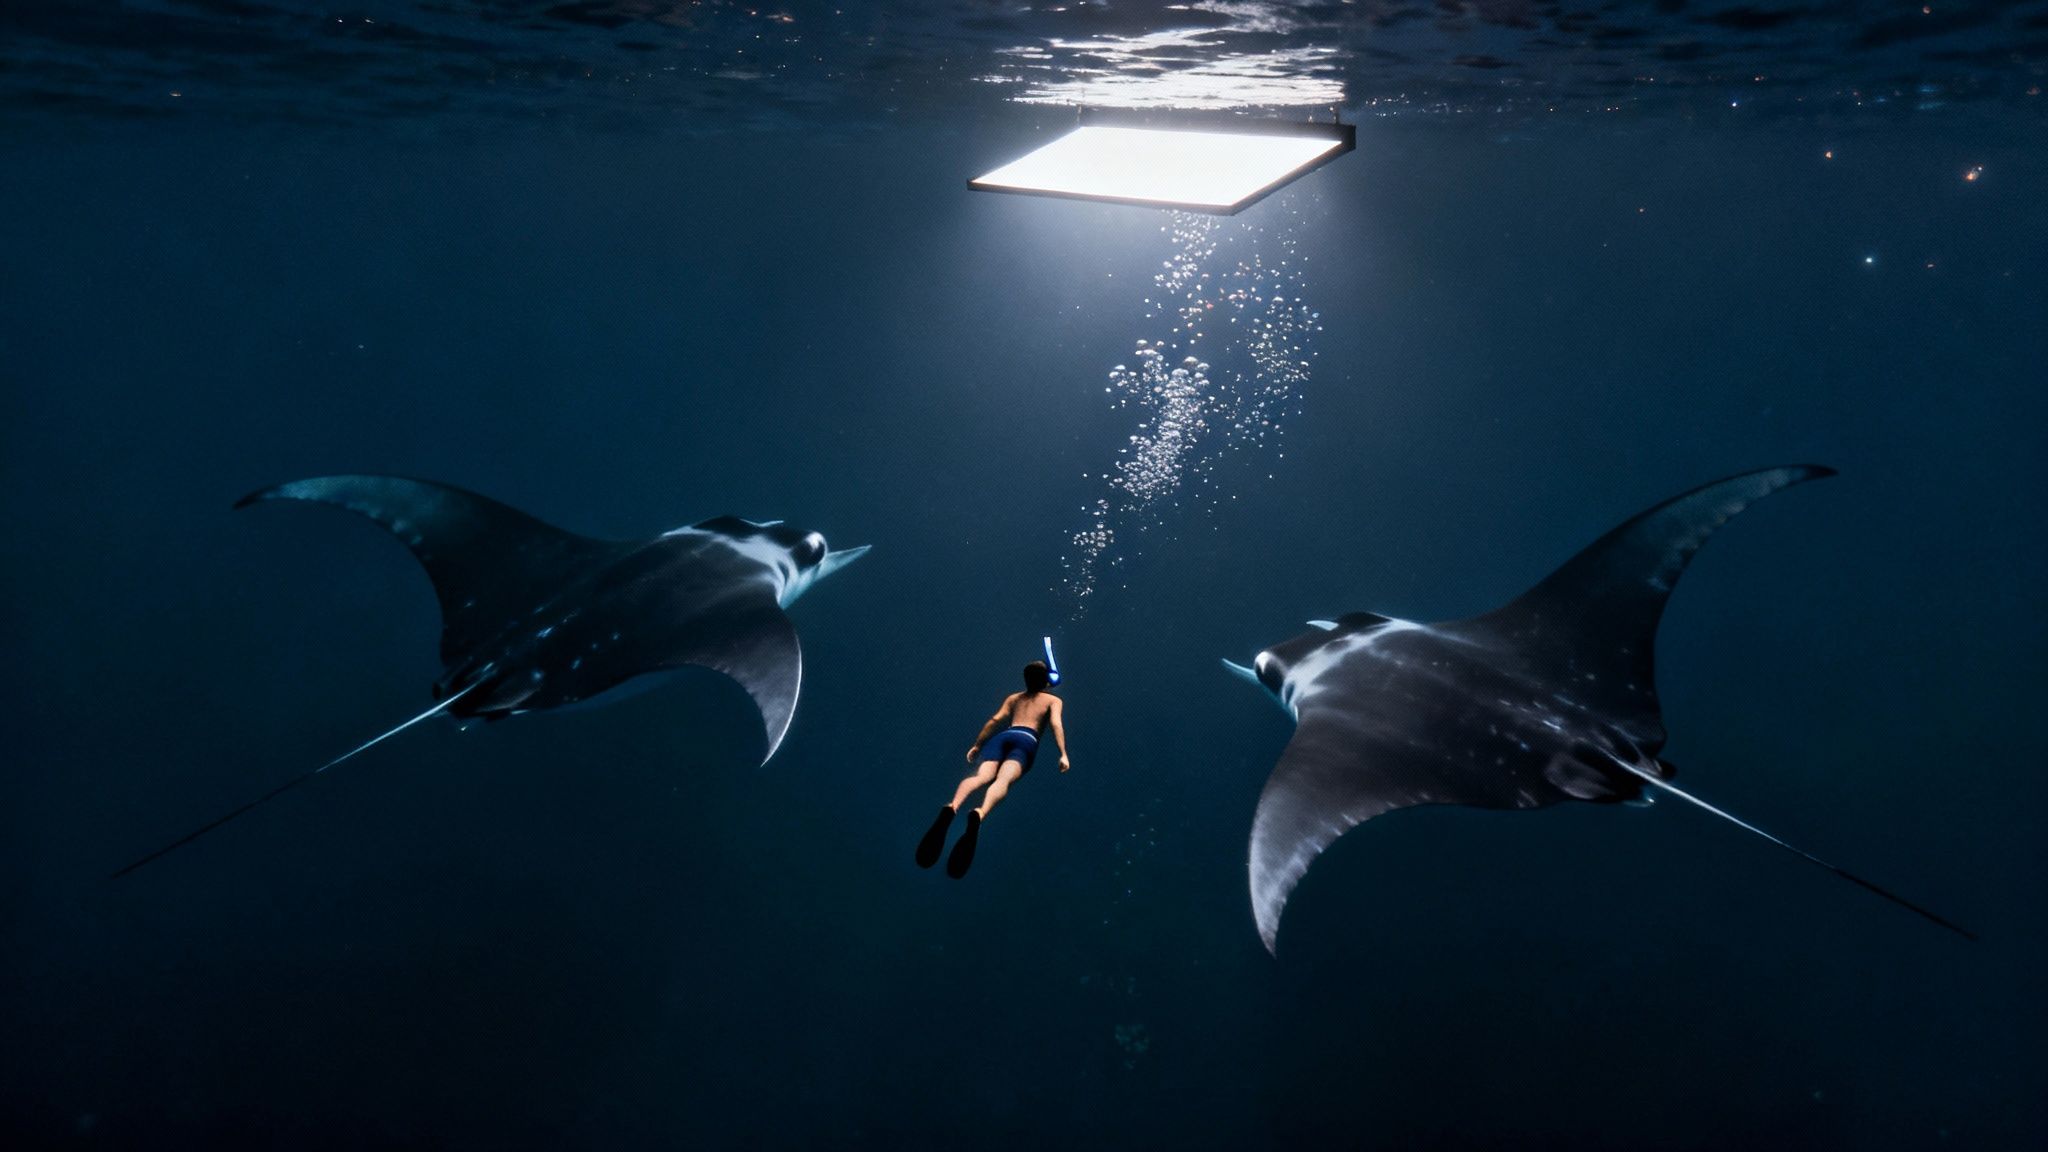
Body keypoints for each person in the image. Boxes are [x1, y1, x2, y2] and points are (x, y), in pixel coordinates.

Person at [916, 660, 1069, 878]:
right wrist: (1063, 753)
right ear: (1046, 680)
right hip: (1026, 740)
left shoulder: (1014, 698)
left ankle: (953, 805)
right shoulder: (1053, 700)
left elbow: (995, 719)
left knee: (981, 776)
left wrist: (978, 744)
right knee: (1002, 780)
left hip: (1004, 735)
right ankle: (980, 813)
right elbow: (1056, 724)